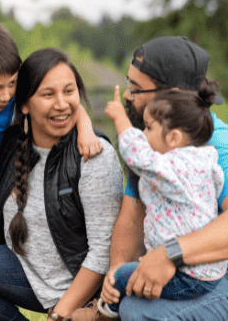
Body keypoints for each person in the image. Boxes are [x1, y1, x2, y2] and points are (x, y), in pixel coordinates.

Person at [0, 48, 122, 320]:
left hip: (80, 286)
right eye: (48, 94)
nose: (61, 104)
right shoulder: (10, 143)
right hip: (26, 273)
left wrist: (60, 314)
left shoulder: (93, 155)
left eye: (69, 92)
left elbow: (102, 253)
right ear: (23, 104)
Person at [101, 36, 228, 320]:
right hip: (185, 270)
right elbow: (132, 216)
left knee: (140, 312)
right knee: (129, 305)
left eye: (135, 89)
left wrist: (171, 254)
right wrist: (115, 277)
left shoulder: (217, 145)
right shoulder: (154, 140)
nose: (126, 96)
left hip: (215, 274)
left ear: (169, 95)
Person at [80, 88, 225, 319]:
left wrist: (120, 118)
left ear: (174, 138)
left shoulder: (176, 167)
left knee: (120, 278)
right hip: (204, 271)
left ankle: (103, 314)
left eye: (148, 128)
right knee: (131, 281)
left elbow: (138, 156)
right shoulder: (203, 160)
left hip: (188, 274)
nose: (143, 134)